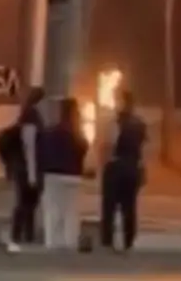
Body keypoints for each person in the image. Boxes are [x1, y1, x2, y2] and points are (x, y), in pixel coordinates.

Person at [99, 90, 147, 252]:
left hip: (116, 167)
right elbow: (143, 149)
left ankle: (107, 240)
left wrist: (103, 164)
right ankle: (128, 240)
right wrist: (142, 168)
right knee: (129, 206)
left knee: (110, 206)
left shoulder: (115, 123)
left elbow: (109, 145)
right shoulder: (140, 124)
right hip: (133, 167)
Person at [40, 97, 89, 250]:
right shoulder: (77, 136)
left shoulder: (50, 133)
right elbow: (83, 152)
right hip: (73, 176)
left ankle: (52, 242)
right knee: (71, 212)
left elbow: (42, 153)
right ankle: (70, 242)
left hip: (53, 176)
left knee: (53, 211)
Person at [5, 87, 45, 253]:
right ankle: (17, 236)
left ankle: (26, 235)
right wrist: (32, 174)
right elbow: (30, 148)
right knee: (25, 203)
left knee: (28, 203)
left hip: (22, 167)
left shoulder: (27, 115)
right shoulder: (31, 117)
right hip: (26, 168)